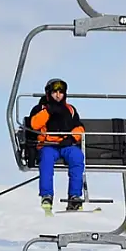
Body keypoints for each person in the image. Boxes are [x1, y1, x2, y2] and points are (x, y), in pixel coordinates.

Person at [28, 78, 85, 212]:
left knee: (77, 157)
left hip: (65, 145)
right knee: (46, 160)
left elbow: (79, 128)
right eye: (55, 92)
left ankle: (74, 196)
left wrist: (71, 138)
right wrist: (48, 111)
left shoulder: (70, 110)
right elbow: (34, 124)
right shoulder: (40, 109)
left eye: (61, 92)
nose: (58, 95)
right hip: (48, 145)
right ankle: (47, 195)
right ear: (49, 93)